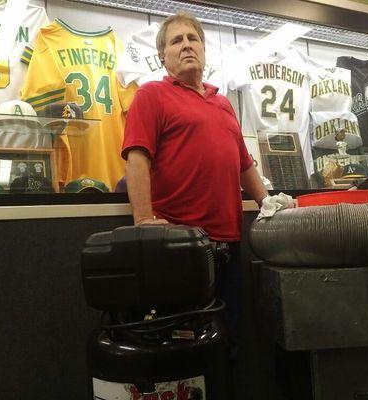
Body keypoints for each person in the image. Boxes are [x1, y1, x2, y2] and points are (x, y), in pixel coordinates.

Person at [121, 11, 269, 353]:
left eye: (193, 39)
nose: (187, 45)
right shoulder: (151, 95)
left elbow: (244, 164)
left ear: (203, 50)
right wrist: (143, 221)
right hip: (180, 247)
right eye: (177, 41)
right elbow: (136, 159)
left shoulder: (223, 103)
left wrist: (268, 202)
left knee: (226, 340)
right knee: (183, 347)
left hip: (228, 246)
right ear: (163, 56)